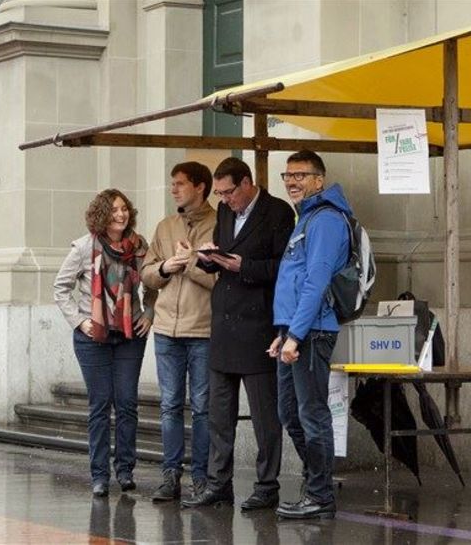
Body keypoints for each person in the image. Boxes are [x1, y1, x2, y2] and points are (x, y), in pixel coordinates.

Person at [182, 157, 295, 510]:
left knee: (265, 416)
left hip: (258, 323)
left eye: (229, 192)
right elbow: (221, 250)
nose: (225, 199)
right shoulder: (225, 212)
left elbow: (285, 266)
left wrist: (245, 266)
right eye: (220, 194)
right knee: (219, 414)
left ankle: (267, 485)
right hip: (224, 322)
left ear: (247, 183)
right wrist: (206, 258)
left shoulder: (277, 212)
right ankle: (218, 483)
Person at [54, 189, 156, 497]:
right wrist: (79, 321)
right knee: (100, 405)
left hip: (129, 334)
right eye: (113, 210)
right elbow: (61, 288)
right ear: (101, 214)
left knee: (126, 403)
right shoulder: (84, 248)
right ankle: (99, 475)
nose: (121, 214)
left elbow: (151, 281)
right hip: (92, 337)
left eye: (124, 208)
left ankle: (125, 471)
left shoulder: (138, 245)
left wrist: (149, 311)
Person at [267, 150, 351, 520]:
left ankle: (320, 494)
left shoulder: (326, 220)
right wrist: (283, 331)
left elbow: (316, 282)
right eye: (287, 175)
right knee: (289, 412)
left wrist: (296, 335)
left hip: (314, 331)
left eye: (300, 175)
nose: (292, 182)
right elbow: (295, 280)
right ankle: (316, 480)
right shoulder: (307, 218)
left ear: (319, 180)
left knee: (312, 413)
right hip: (296, 329)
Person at [140, 162, 217, 502]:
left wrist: (190, 264)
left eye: (180, 183)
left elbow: (222, 280)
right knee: (169, 405)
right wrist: (164, 267)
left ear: (200, 187)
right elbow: (146, 274)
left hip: (203, 329)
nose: (173, 189)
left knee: (202, 407)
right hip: (166, 330)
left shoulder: (221, 224)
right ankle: (170, 475)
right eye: (172, 183)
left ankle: (201, 477)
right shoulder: (166, 226)